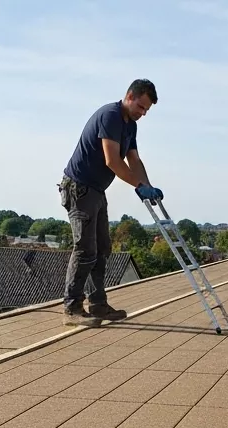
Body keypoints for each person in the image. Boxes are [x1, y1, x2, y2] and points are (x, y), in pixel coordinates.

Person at [59, 79, 163, 327]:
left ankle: (98, 304)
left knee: (102, 249)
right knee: (85, 250)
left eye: (146, 110)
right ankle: (72, 308)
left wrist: (148, 185)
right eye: (140, 107)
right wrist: (138, 186)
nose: (142, 113)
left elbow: (133, 160)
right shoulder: (110, 116)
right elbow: (112, 161)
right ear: (129, 96)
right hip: (79, 188)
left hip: (96, 190)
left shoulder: (130, 126)